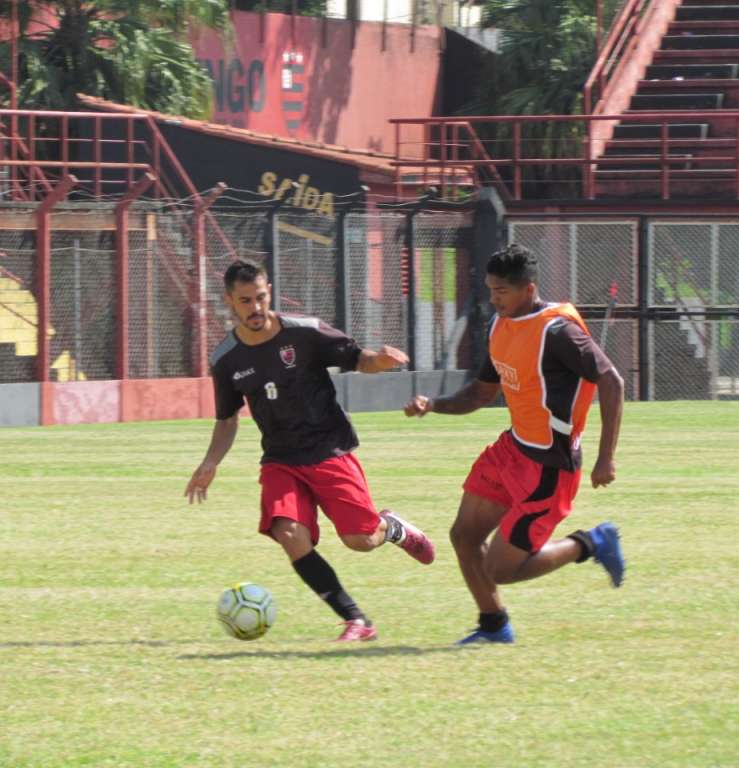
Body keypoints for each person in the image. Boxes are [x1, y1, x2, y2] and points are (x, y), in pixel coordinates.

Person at [185, 259, 435, 642]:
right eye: (246, 301)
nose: (255, 307)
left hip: (328, 449)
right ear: (230, 301)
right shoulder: (227, 359)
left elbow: (357, 358)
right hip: (281, 459)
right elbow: (227, 418)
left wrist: (379, 362)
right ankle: (356, 620)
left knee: (361, 540)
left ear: (270, 292)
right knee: (289, 534)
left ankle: (392, 528)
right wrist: (210, 461)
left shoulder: (305, 332)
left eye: (261, 297)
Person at [404, 244, 625, 644]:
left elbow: (612, 381)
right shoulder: (500, 326)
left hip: (550, 469)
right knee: (464, 536)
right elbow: (480, 394)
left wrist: (605, 458)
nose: (494, 299)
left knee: (500, 569)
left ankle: (591, 542)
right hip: (512, 450)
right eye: (491, 289)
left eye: (502, 291)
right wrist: (433, 405)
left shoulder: (558, 332)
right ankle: (494, 627)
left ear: (529, 289)